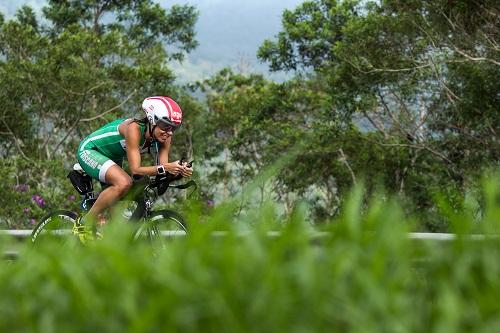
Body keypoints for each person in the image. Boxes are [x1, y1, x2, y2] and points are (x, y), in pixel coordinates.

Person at [74, 96, 193, 238]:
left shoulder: (165, 137)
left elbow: (162, 171)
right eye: (165, 126)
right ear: (152, 120)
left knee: (118, 225)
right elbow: (136, 169)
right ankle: (84, 222)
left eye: (174, 127)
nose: (170, 132)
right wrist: (166, 168)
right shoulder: (134, 129)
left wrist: (179, 170)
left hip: (113, 159)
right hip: (90, 150)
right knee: (124, 182)